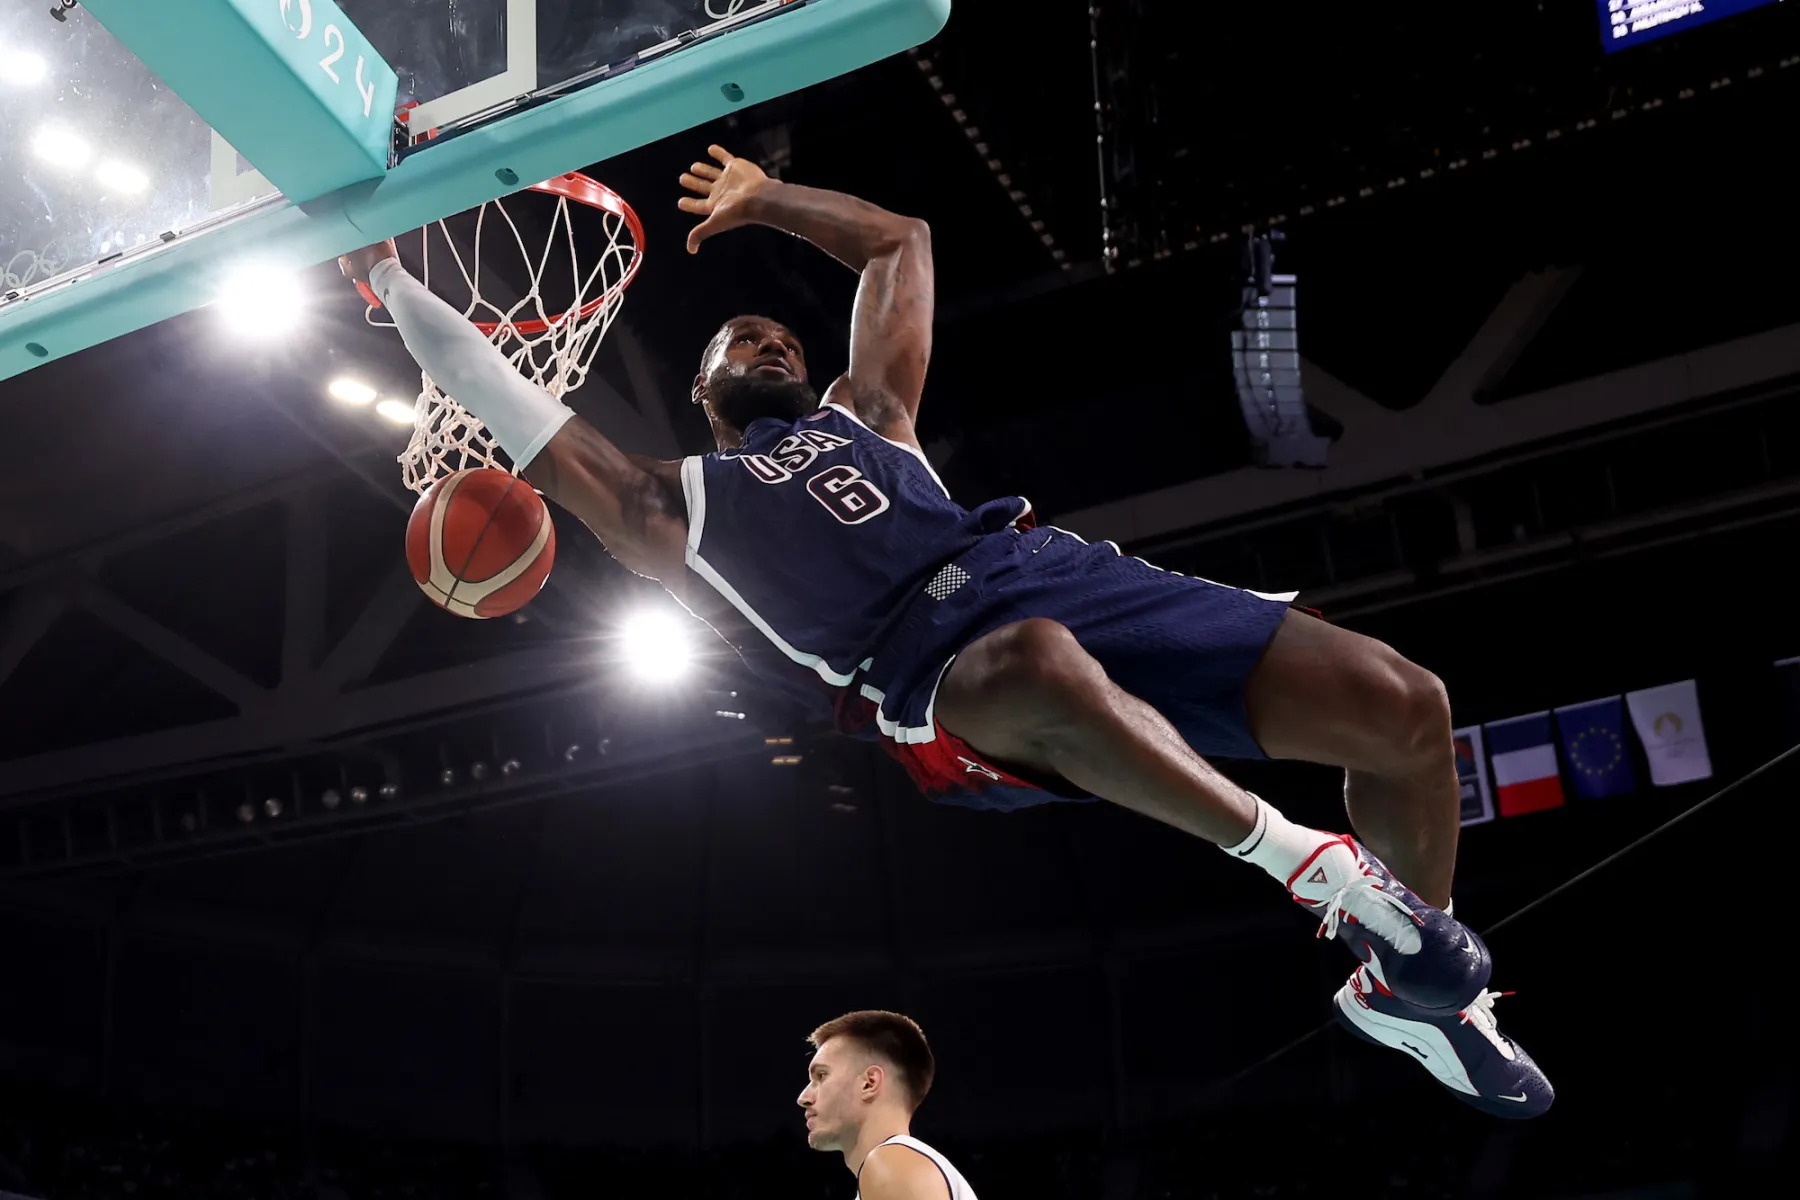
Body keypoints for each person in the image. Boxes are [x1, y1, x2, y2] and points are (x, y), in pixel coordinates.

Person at [339, 144, 1552, 1117]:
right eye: (741, 341)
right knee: (1031, 661)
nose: (769, 340)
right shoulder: (667, 505)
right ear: (705, 389)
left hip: (1049, 573)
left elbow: (900, 244)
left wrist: (771, 200)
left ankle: (1422, 996)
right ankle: (1311, 865)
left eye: (783, 339)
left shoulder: (873, 414)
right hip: (932, 681)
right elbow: (503, 392)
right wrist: (393, 283)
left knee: (1407, 707)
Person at [798, 1011, 975, 1200]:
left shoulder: (890, 1165)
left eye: (821, 1076)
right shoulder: (902, 1166)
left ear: (869, 1083)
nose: (803, 1098)